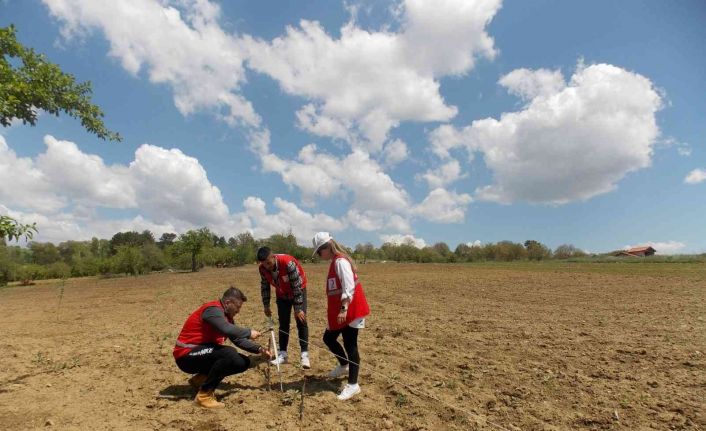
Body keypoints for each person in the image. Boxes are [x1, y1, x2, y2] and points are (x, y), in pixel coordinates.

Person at [173, 287, 272, 408]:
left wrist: (259, 349)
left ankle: (199, 380)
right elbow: (226, 329)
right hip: (185, 355)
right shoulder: (213, 310)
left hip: (201, 352)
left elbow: (237, 339)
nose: (238, 310)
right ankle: (204, 396)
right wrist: (248, 332)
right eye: (238, 306)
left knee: (241, 362)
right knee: (229, 353)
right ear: (228, 303)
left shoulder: (226, 316)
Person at [312, 232, 370, 401]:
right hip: (342, 311)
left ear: (327, 247)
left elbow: (349, 287)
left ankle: (353, 385)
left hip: (351, 310)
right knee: (328, 338)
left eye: (318, 251)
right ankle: (344, 365)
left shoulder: (340, 262)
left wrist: (344, 309)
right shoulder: (334, 261)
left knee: (351, 345)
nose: (318, 255)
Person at [257, 246, 310, 369]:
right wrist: (266, 305)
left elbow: (297, 287)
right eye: (264, 264)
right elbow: (265, 286)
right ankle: (283, 354)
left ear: (273, 257)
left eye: (269, 263)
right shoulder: (262, 269)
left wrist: (298, 309)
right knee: (283, 323)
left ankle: (304, 355)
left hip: (298, 290)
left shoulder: (288, 263)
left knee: (301, 320)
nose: (267, 267)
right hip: (281, 294)